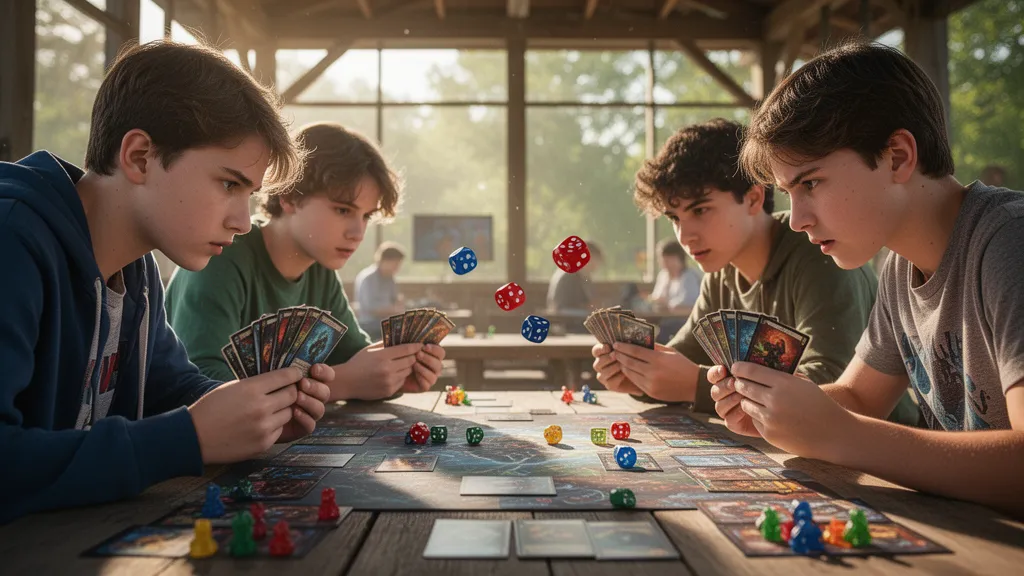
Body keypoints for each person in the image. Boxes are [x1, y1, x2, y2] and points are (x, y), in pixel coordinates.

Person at [0, 41, 335, 524]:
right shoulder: (10, 239)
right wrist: (189, 439)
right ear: (139, 156)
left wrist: (261, 411)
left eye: (250, 193)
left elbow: (171, 388)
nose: (244, 221)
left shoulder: (136, 273)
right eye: (228, 184)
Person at [713, 41, 1023, 517]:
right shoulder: (898, 263)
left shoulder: (1009, 241)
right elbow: (858, 397)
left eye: (810, 183)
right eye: (787, 193)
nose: (795, 220)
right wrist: (771, 409)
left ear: (897, 156)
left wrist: (840, 435)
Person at [593, 119, 918, 425]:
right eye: (674, 218)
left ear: (753, 199)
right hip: (787, 450)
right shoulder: (720, 272)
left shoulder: (821, 252)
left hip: (884, 456)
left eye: (700, 210)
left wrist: (694, 387)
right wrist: (636, 374)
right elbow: (681, 359)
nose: (685, 235)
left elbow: (829, 383)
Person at [167, 123, 445, 402]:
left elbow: (354, 359)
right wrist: (343, 385)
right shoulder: (222, 256)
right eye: (343, 210)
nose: (358, 233)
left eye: (366, 216)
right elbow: (201, 385)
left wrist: (396, 373)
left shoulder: (320, 268)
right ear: (289, 195)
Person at [649, 238, 701, 343]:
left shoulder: (689, 276)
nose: (665, 264)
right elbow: (656, 299)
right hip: (665, 319)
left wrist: (667, 305)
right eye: (663, 260)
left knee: (664, 330)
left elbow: (688, 306)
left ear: (680, 259)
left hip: (686, 321)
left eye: (669, 259)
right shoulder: (664, 275)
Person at [354, 241, 407, 340]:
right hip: (369, 324)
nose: (397, 268)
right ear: (384, 260)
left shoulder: (390, 279)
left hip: (386, 322)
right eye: (395, 264)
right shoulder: (367, 278)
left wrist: (399, 305)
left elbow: (395, 300)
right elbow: (369, 307)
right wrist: (392, 310)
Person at [547, 241, 604, 315]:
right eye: (594, 261)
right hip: (566, 319)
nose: (596, 267)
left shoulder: (583, 276)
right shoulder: (569, 275)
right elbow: (563, 306)